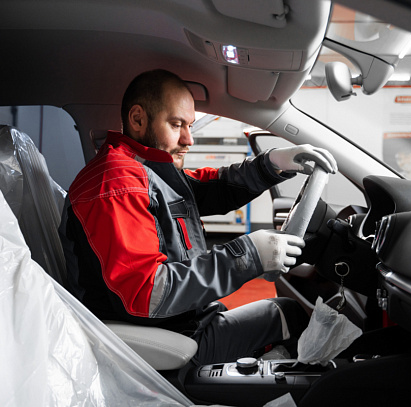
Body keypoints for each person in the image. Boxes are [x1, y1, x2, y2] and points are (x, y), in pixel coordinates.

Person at [61, 69, 337, 365]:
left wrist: (271, 164)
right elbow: (146, 294)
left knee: (285, 312)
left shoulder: (144, 169)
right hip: (166, 341)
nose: (188, 139)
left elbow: (211, 187)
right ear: (138, 119)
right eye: (176, 124)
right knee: (291, 317)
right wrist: (248, 256)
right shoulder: (116, 184)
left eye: (190, 125)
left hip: (183, 321)